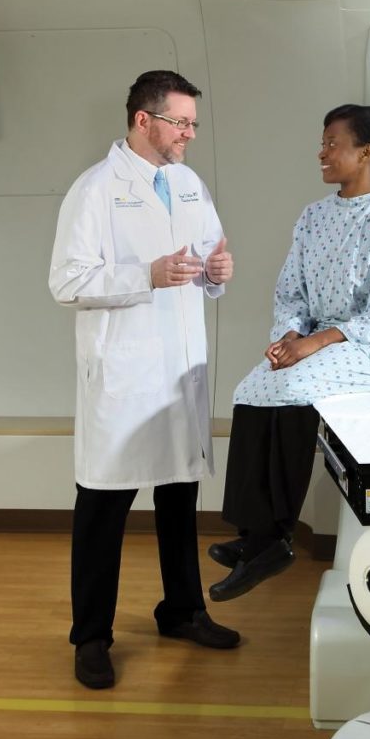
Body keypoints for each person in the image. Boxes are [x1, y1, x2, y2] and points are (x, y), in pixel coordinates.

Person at [49, 70, 240, 690]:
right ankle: (91, 638)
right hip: (126, 378)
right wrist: (145, 275)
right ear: (142, 120)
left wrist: (217, 270)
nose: (188, 134)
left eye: (192, 123)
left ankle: (182, 611)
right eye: (180, 122)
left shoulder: (187, 184)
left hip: (179, 373)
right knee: (103, 511)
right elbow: (68, 282)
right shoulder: (96, 189)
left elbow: (204, 265)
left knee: (180, 500)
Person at [209, 104, 370, 602]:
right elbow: (291, 291)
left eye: (332, 143)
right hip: (317, 340)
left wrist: (316, 341)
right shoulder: (313, 217)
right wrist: (289, 336)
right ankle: (253, 535)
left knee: (292, 385)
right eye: (323, 141)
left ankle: (274, 540)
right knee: (252, 386)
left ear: (365, 152)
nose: (322, 152)